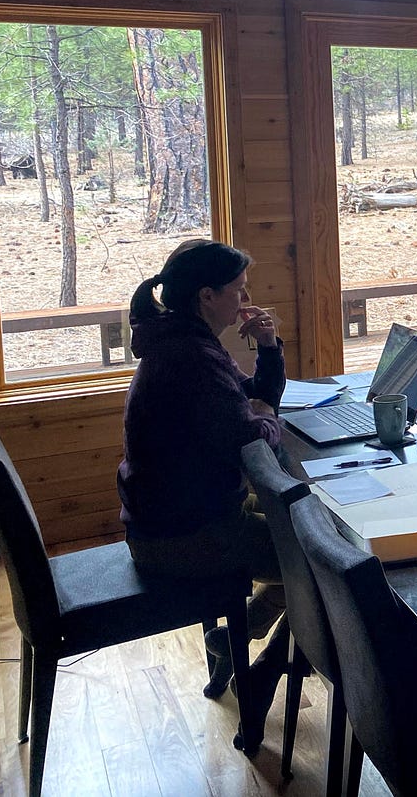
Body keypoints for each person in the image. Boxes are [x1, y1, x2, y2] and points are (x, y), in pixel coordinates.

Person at [116, 239, 289, 709]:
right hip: (181, 537)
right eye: (239, 291)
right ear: (206, 296)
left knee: (307, 525)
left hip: (177, 516)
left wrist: (269, 350)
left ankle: (237, 638)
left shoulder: (185, 340)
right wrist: (269, 419)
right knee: (318, 559)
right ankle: (263, 672)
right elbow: (250, 440)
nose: (246, 302)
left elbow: (251, 400)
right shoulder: (190, 357)